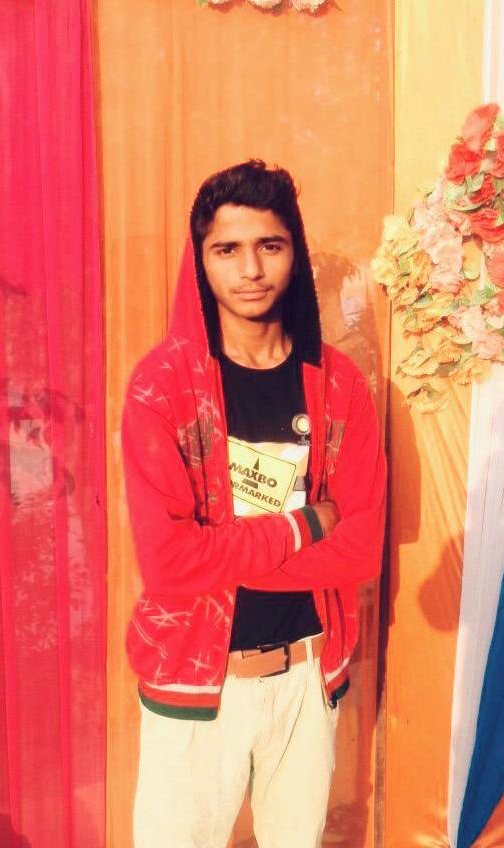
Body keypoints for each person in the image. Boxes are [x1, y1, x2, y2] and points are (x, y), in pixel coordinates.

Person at [121, 159, 387, 848]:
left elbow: (360, 550)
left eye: (270, 245)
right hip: (194, 684)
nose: (250, 270)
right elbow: (168, 567)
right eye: (227, 250)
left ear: (294, 251)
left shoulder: (339, 386)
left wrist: (215, 552)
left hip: (307, 675)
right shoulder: (162, 387)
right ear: (201, 260)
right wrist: (305, 524)